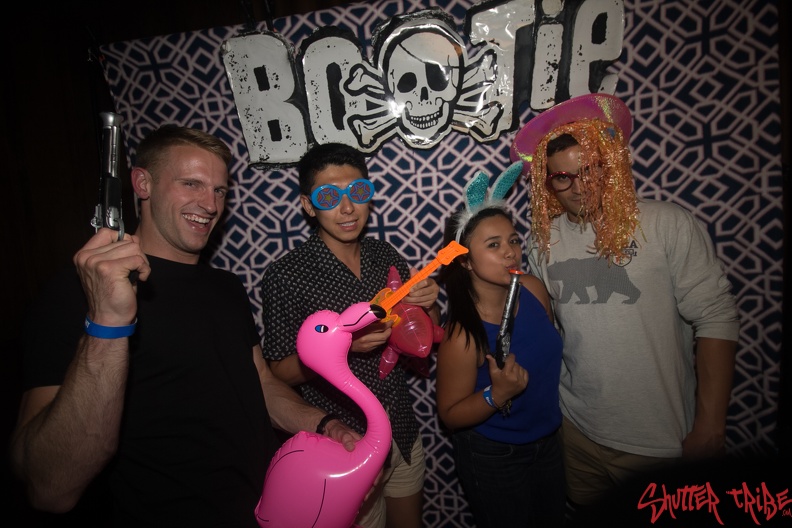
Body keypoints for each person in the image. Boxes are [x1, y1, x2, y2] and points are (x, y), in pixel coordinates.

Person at [8, 125, 362, 528]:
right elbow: (49, 487)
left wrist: (324, 426)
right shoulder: (78, 292)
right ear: (142, 183)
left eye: (220, 190)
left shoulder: (226, 286)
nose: (209, 204)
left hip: (264, 511)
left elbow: (261, 383)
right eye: (191, 183)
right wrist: (108, 323)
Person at [510, 93, 740, 511]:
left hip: (658, 438)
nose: (578, 187)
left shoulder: (666, 223)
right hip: (576, 430)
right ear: (547, 183)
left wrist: (710, 426)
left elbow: (716, 317)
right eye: (562, 177)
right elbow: (551, 327)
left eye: (590, 170)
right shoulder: (544, 240)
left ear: (611, 164)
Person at [259, 142, 439, 528]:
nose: (347, 208)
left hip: (401, 427)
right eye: (329, 196)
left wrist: (428, 303)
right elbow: (277, 373)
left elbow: (420, 332)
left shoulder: (385, 256)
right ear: (308, 205)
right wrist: (342, 349)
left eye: (357, 192)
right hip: (343, 441)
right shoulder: (286, 276)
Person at [434, 164, 566, 528]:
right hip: (495, 455)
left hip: (550, 441)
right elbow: (450, 415)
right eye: (493, 245)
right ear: (465, 260)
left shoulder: (534, 290)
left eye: (513, 240)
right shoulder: (462, 336)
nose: (510, 252)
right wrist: (498, 394)